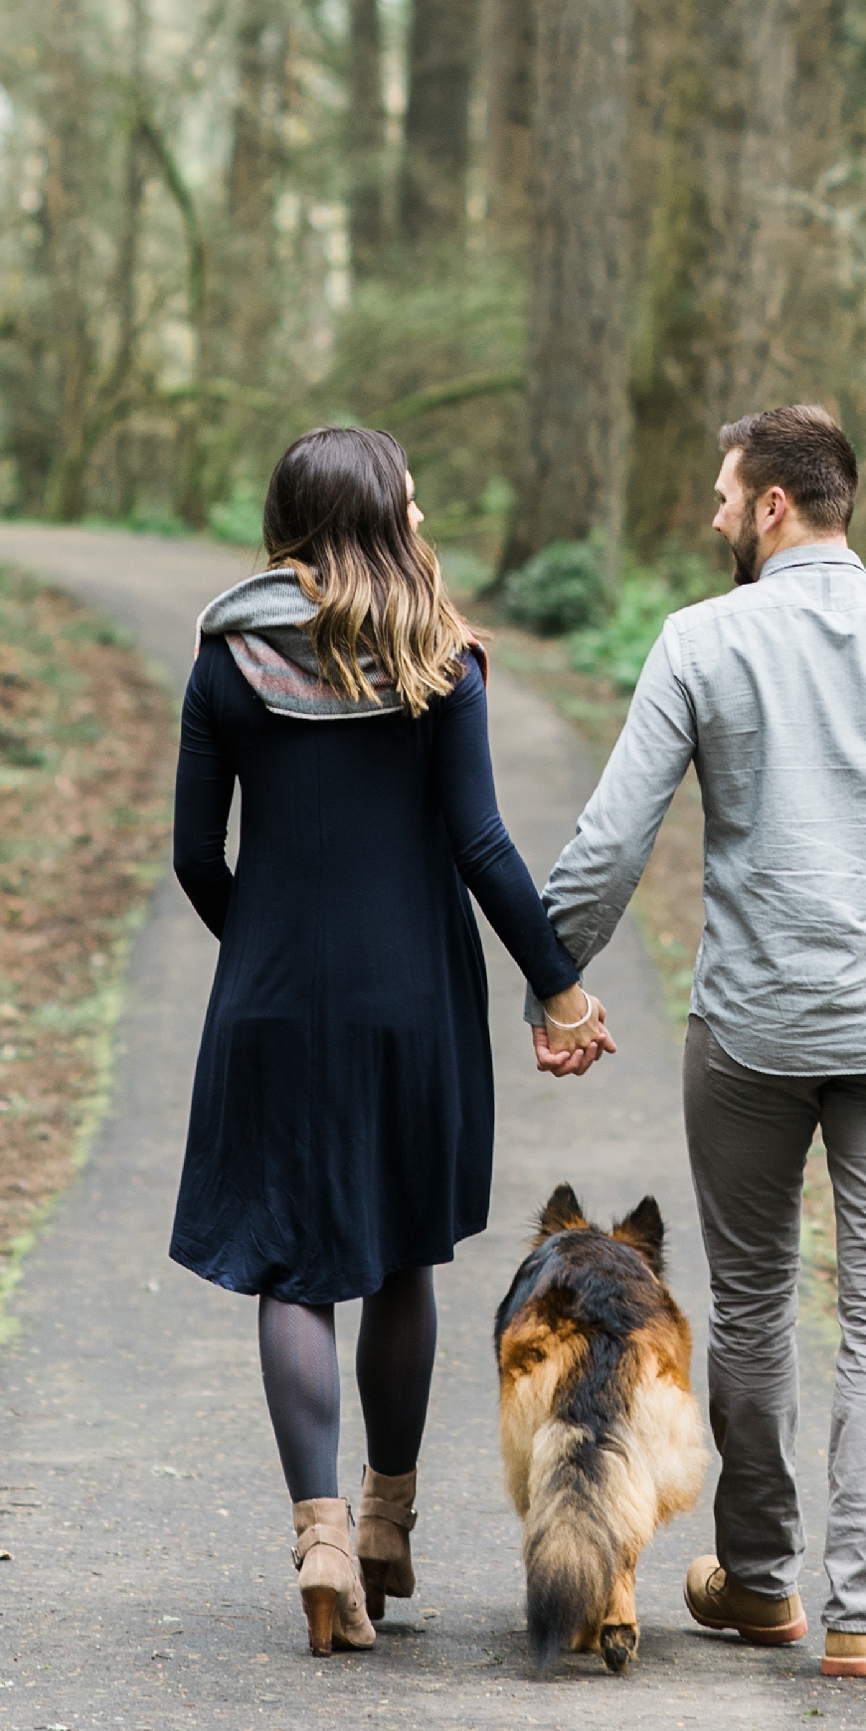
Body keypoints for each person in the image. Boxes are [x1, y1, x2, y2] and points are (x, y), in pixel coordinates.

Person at [530, 405, 866, 1680]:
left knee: (760, 1301)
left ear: (773, 505)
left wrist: (553, 989)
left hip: (756, 1029)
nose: (716, 517)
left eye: (726, 497)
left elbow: (609, 845)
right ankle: (859, 1617)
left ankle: (762, 1583)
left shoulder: (699, 640)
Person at [167, 423, 613, 1655]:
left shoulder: (226, 662)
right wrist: (560, 989)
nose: (422, 522)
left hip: (271, 1003)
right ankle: (385, 1521)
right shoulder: (439, 661)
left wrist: (257, 946)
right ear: (375, 522)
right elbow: (481, 846)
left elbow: (195, 858)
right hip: (411, 1000)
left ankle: (316, 1535)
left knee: (291, 1267)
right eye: (410, 506)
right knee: (403, 1253)